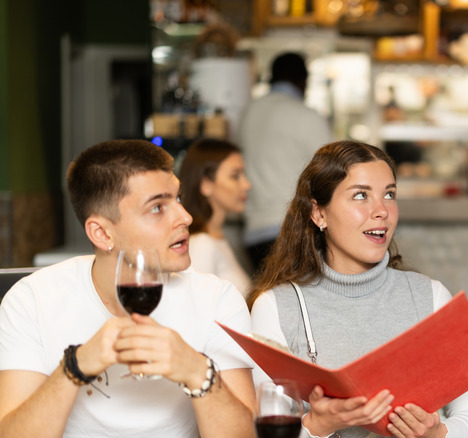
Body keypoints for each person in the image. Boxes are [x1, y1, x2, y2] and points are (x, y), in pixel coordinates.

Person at [0, 140, 256, 438]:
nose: (185, 217)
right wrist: (75, 367)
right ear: (102, 233)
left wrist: (197, 372)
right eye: (158, 207)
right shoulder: (31, 300)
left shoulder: (218, 300)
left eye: (179, 199)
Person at [247, 141, 468, 438]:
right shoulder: (276, 306)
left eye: (389, 194)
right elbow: (267, 432)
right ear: (318, 213)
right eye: (361, 195)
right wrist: (318, 425)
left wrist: (437, 434)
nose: (381, 211)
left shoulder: (431, 297)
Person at [239, 51, 331, 272]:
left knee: (267, 302)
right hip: (294, 233)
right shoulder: (307, 116)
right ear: (304, 81)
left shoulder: (248, 113)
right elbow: (333, 173)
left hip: (253, 232)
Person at [179, 138, 252, 297]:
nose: (246, 185)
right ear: (205, 184)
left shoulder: (217, 239)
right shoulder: (202, 244)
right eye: (235, 176)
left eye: (243, 174)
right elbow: (197, 310)